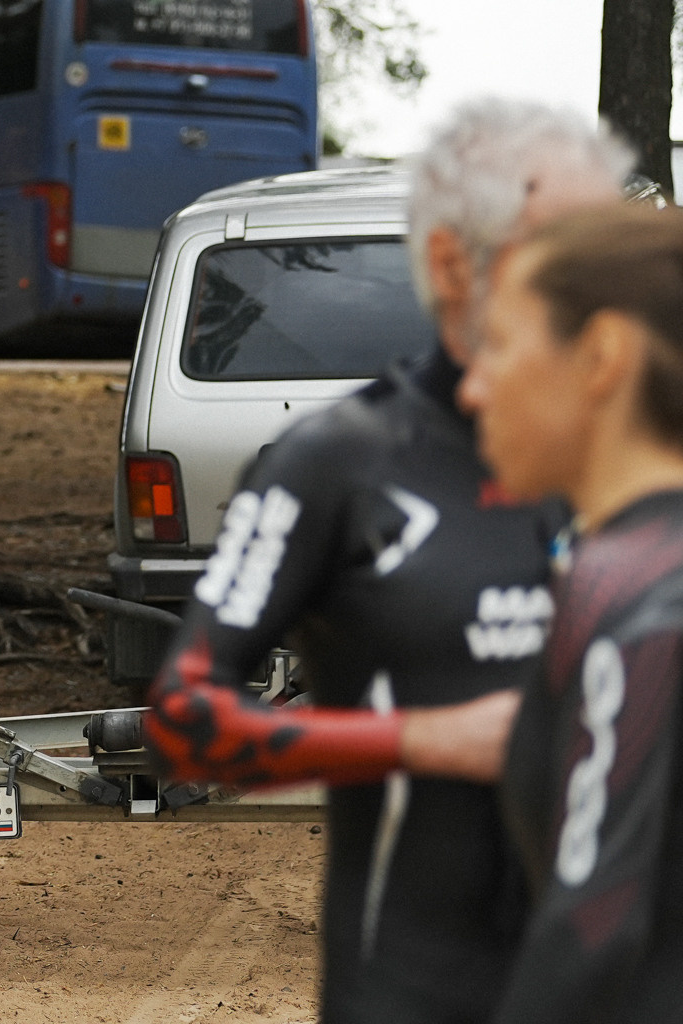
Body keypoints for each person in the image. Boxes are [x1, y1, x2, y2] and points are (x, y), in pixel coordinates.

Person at [143, 99, 630, 1024]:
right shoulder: (337, 463)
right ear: (451, 265)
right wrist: (424, 741)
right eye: (560, 254)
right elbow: (183, 725)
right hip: (411, 995)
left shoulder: (636, 458)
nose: (599, 289)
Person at [458, 206, 683, 1022]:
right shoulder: (629, 565)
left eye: (499, 345)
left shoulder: (639, 592)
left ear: (601, 357)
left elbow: (592, 930)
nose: (472, 386)